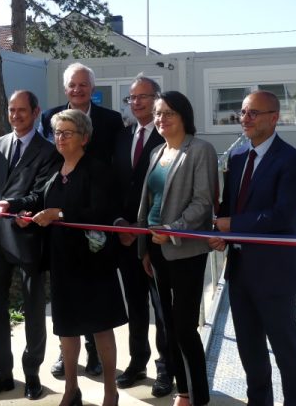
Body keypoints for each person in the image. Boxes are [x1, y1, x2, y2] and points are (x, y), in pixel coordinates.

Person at [14, 109, 127, 406]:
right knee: (67, 329)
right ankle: (71, 389)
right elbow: (37, 198)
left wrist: (59, 214)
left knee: (101, 327)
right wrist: (19, 209)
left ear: (84, 137)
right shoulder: (56, 171)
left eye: (67, 133)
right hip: (63, 262)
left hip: (94, 263)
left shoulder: (98, 169)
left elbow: (101, 212)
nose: (60, 138)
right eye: (57, 133)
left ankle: (109, 390)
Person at [209, 90, 296, 406]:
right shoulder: (237, 160)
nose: (245, 119)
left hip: (276, 274)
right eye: (242, 113)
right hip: (240, 273)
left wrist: (231, 226)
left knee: (286, 352)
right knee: (250, 350)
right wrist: (222, 234)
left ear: (274, 117)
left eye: (253, 113)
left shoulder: (292, 160)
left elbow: (282, 215)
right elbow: (229, 209)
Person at [41, 62, 124, 377]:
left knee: (99, 317)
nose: (77, 90)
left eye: (83, 85)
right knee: (68, 318)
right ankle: (70, 367)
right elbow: (45, 183)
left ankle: (99, 364)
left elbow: (114, 179)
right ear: (65, 89)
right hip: (63, 248)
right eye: (72, 85)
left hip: (94, 240)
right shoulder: (53, 120)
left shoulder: (111, 122)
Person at [0, 90, 62, 401]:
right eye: (12, 110)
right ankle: (2, 375)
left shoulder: (49, 152)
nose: (15, 115)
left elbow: (41, 195)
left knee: (33, 309)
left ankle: (32, 375)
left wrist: (12, 204)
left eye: (22, 110)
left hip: (28, 240)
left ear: (36, 111)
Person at [137, 91, 216, 406]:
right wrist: (145, 246)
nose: (161, 119)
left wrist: (172, 231)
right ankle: (183, 392)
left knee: (185, 326)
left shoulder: (200, 150)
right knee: (168, 326)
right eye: (158, 113)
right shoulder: (157, 152)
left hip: (184, 250)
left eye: (168, 112)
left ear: (184, 114)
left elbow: (203, 203)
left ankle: (198, 396)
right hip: (155, 250)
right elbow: (150, 203)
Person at [112, 75, 172, 397]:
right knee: (135, 305)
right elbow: (117, 186)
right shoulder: (122, 138)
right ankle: (137, 363)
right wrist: (120, 222)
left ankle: (167, 369)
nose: (136, 103)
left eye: (143, 97)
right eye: (131, 98)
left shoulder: (168, 139)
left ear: (156, 99)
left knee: (161, 308)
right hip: (125, 240)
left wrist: (145, 230)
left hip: (157, 240)